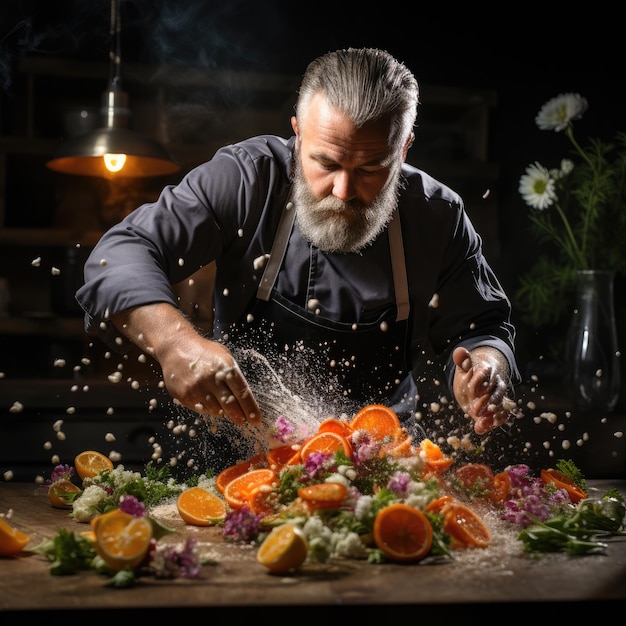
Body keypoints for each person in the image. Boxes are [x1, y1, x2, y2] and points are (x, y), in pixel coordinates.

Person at [76, 47, 520, 465]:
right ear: (297, 131)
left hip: (382, 469)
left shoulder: (437, 217)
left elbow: (482, 326)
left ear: (403, 149)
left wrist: (485, 367)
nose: (344, 192)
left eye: (370, 169)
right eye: (325, 163)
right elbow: (119, 253)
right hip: (238, 457)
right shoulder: (246, 180)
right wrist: (177, 344)